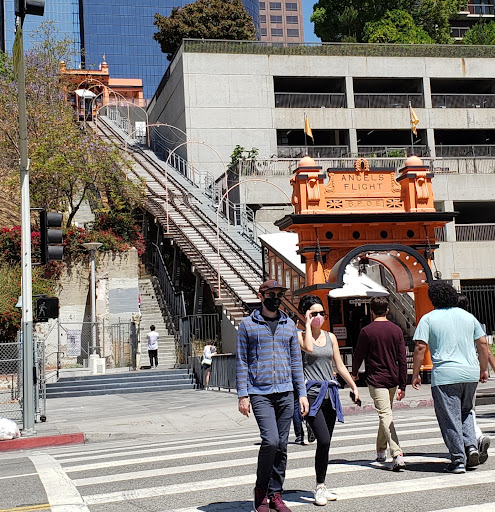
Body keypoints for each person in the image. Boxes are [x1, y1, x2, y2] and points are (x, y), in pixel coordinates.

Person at [236, 279, 309, 512]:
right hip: (260, 392)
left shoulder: (289, 325)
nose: (275, 297)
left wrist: (302, 393)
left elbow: (296, 361)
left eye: (279, 294)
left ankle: (276, 495)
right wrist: (242, 395)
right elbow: (242, 361)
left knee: (282, 447)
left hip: (286, 392)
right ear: (261, 296)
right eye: (271, 293)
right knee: (271, 441)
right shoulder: (248, 325)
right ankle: (260, 491)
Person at [412, 282, 489, 474]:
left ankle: (457, 460)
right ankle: (470, 446)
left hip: (445, 375)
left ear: (433, 299)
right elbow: (482, 344)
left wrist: (415, 374)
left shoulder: (428, 318)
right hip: (470, 373)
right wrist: (483, 368)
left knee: (449, 418)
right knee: (466, 412)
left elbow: (420, 347)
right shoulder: (468, 316)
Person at [298, 295, 360, 506]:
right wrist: (307, 324)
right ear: (306, 314)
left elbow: (339, 365)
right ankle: (319, 488)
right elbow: (308, 348)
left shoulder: (331, 337)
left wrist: (352, 385)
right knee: (322, 440)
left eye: (321, 313)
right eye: (313, 313)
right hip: (311, 395)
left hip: (330, 394)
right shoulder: (300, 336)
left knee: (326, 444)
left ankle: (321, 484)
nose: (318, 317)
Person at [351, 296, 407, 472]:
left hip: (376, 379)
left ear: (372, 310)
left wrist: (354, 373)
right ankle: (386, 450)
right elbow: (402, 359)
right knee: (386, 414)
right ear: (388, 310)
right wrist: (403, 384)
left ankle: (393, 452)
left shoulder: (367, 331)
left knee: (385, 415)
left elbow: (358, 354)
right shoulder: (396, 330)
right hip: (393, 378)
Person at [457, 293, 491, 464]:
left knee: (461, 412)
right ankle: (475, 440)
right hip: (472, 370)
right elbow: (485, 347)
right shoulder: (473, 321)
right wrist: (485, 368)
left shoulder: (452, 322)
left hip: (451, 372)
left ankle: (474, 440)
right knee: (469, 409)